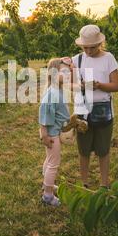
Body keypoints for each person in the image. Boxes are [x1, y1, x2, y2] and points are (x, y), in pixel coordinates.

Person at [72, 25, 118, 189]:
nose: (89, 51)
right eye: (85, 47)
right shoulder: (76, 60)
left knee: (103, 150)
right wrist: (81, 86)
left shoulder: (109, 58)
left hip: (103, 111)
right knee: (83, 151)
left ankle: (104, 184)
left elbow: (115, 86)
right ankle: (84, 183)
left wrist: (99, 85)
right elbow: (69, 84)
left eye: (92, 47)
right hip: (82, 111)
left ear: (99, 44)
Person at [38, 57, 72, 206]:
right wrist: (44, 135)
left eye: (68, 71)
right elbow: (44, 115)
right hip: (52, 135)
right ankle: (48, 195)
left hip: (55, 132)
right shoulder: (52, 93)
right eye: (63, 71)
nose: (67, 74)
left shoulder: (57, 89)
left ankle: (47, 184)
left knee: (49, 160)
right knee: (54, 163)